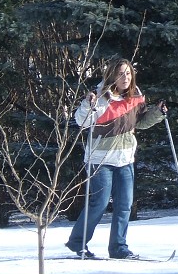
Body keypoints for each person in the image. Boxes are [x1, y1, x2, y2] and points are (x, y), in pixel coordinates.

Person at [65, 58, 166, 259]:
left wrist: (157, 113)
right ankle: (78, 242)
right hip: (100, 160)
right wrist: (87, 104)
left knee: (124, 204)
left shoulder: (136, 97)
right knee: (100, 202)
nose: (125, 78)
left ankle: (119, 247)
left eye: (128, 73)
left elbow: (142, 123)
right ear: (112, 76)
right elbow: (81, 122)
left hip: (125, 158)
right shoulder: (101, 98)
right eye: (121, 74)